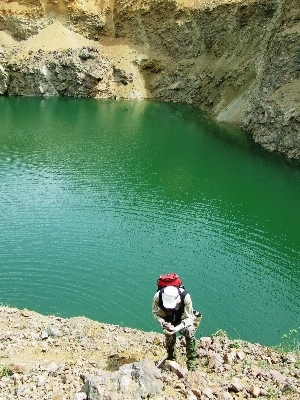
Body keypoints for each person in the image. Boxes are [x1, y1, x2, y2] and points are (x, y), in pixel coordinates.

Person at [152, 284, 201, 371]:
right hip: (167, 318)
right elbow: (155, 312)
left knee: (190, 331)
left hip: (182, 318)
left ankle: (192, 364)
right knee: (169, 335)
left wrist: (177, 328)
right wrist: (162, 321)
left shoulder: (185, 297)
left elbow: (190, 318)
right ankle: (171, 357)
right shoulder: (158, 296)